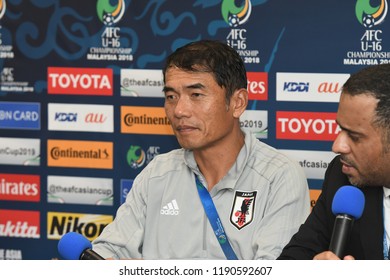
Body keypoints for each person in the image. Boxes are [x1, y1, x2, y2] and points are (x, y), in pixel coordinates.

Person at [92, 39, 310, 259]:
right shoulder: (157, 174)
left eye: (196, 95)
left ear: (238, 102)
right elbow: (110, 252)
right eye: (171, 97)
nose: (179, 110)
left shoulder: (279, 177)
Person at [277, 63, 390, 260]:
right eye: (340, 129)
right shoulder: (341, 176)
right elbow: (291, 260)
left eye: (354, 136)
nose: (337, 146)